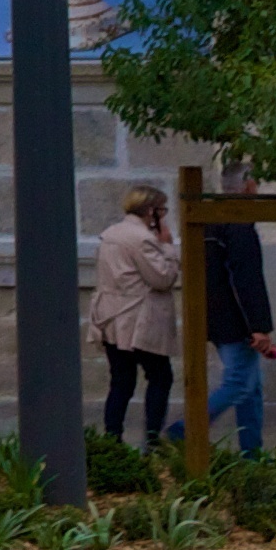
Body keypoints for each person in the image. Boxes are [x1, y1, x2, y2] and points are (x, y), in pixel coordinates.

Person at [93, 184, 180, 449]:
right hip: (139, 319)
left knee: (121, 380)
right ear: (151, 211)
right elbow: (162, 278)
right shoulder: (142, 238)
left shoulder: (111, 235)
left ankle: (112, 441)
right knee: (160, 377)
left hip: (112, 318)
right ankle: (152, 441)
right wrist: (168, 248)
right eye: (162, 210)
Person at [202, 204, 276, 455]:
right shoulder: (238, 226)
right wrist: (258, 327)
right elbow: (246, 278)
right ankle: (184, 430)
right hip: (236, 321)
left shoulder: (209, 224)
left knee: (252, 387)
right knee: (239, 384)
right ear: (248, 188)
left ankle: (251, 452)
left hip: (216, 317)